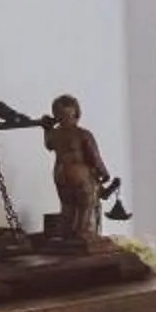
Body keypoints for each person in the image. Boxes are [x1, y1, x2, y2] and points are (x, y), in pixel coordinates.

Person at [45, 93, 110, 245]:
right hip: (78, 172)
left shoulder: (54, 134)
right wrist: (104, 173)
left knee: (67, 204)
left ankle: (67, 233)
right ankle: (83, 233)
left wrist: (46, 128)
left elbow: (48, 145)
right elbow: (94, 157)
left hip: (60, 172)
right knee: (86, 203)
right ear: (76, 114)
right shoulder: (83, 134)